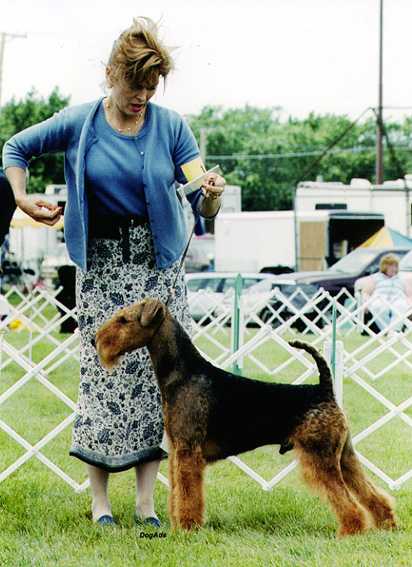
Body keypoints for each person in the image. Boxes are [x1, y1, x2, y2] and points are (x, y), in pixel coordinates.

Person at [2, 17, 225, 527]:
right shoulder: (79, 122)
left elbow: (200, 199)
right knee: (101, 377)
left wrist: (209, 194)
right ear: (110, 74)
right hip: (102, 268)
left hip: (157, 270)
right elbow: (16, 147)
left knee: (159, 383)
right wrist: (19, 195)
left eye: (151, 86)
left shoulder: (172, 127)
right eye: (134, 85)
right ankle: (100, 503)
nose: (142, 96)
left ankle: (147, 506)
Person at [356, 254, 412, 332]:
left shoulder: (402, 279)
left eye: (395, 266)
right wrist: (366, 302)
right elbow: (366, 293)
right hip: (380, 298)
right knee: (378, 307)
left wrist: (410, 303)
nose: (393, 268)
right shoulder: (375, 277)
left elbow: (409, 295)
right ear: (384, 266)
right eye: (390, 266)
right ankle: (385, 330)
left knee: (401, 306)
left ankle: (394, 330)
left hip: (398, 298)